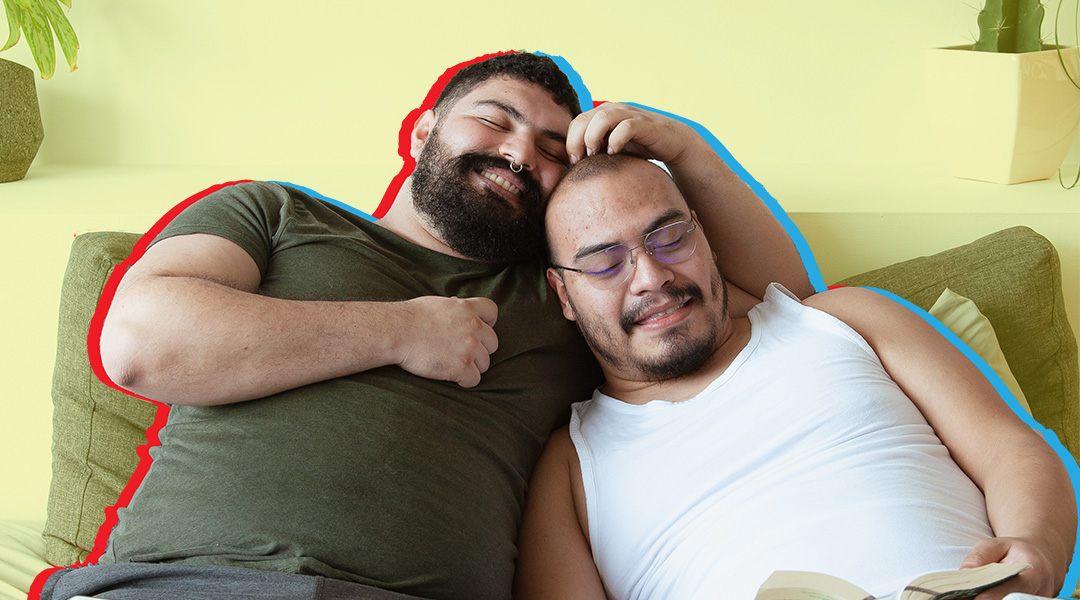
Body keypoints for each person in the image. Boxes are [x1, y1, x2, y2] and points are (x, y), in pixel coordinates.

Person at [35, 53, 812, 600]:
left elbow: (778, 307)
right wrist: (402, 332)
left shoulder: (570, 291)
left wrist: (684, 148)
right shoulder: (274, 213)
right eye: (495, 121)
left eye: (551, 149)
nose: (519, 153)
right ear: (422, 132)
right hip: (179, 585)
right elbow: (140, 343)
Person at [514, 153, 1077, 600]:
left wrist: (1037, 550)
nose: (651, 277)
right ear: (564, 293)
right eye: (604, 263)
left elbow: (1008, 448)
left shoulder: (845, 320)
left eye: (670, 237)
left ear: (704, 238)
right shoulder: (569, 469)